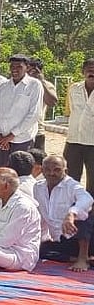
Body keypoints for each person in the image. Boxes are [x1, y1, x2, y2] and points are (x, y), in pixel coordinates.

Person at [34, 155, 94, 271]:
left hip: (82, 237)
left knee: (83, 214)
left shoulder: (72, 186)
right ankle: (77, 258)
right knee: (39, 250)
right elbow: (40, 216)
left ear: (65, 171)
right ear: (42, 170)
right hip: (61, 239)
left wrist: (71, 214)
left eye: (56, 170)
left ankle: (82, 258)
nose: (52, 173)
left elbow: (87, 200)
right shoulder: (38, 187)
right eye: (47, 170)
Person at [0, 55, 44, 167]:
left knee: (19, 175)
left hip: (22, 139)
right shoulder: (3, 86)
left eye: (19, 66)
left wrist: (11, 136)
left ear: (27, 67)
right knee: (2, 173)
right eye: (12, 66)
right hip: (2, 141)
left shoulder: (34, 85)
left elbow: (34, 114)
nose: (14, 69)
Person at [64, 58, 94, 193]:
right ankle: (71, 209)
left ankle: (91, 213)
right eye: (89, 70)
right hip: (74, 140)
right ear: (83, 72)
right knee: (70, 178)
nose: (91, 73)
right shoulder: (74, 88)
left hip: (92, 141)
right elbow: (72, 111)